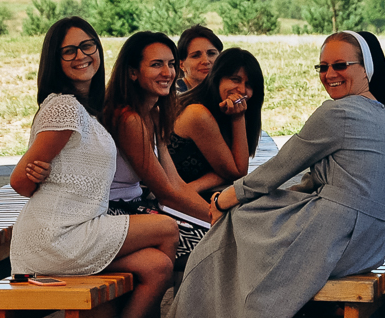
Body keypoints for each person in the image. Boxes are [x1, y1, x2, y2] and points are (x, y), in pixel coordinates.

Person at [165, 31, 385, 318]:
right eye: (323, 67)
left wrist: (227, 198)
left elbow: (282, 165)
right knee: (248, 231)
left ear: (366, 69)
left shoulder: (337, 113)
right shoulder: (378, 111)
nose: (330, 74)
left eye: (341, 65)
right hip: (365, 242)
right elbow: (319, 177)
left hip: (337, 234)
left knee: (236, 228)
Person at [9, 17, 178, 318]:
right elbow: (19, 181)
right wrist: (36, 173)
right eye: (69, 51)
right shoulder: (64, 108)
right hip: (56, 235)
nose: (81, 56)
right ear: (55, 60)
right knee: (166, 228)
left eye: (88, 46)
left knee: (157, 267)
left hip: (78, 228)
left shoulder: (87, 109)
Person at [103, 32, 215, 268]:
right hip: (114, 213)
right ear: (133, 72)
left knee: (216, 236)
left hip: (136, 205)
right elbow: (166, 193)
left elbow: (175, 183)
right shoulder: (128, 118)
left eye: (171, 64)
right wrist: (220, 217)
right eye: (156, 65)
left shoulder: (152, 112)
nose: (168, 73)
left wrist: (219, 216)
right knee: (212, 244)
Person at [169, 48, 266, 198]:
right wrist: (238, 118)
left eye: (249, 84)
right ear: (217, 78)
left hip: (188, 193)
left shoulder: (223, 111)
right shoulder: (198, 113)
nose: (241, 89)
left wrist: (195, 186)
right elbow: (238, 172)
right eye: (235, 79)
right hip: (168, 199)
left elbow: (231, 170)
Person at [176, 25, 223, 93]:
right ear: (181, 64)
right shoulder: (172, 95)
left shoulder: (227, 91)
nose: (206, 61)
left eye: (211, 53)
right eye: (196, 56)